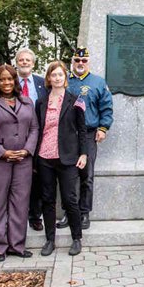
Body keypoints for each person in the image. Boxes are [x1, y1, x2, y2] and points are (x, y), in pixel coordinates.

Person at [0, 64, 39, 261]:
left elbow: (35, 128)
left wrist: (27, 150)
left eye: (10, 79)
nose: (6, 83)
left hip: (22, 161)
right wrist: (2, 152)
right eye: (2, 79)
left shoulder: (27, 102)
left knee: (20, 203)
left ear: (15, 81)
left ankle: (16, 245)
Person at [34, 61, 87, 257]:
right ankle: (50, 240)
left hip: (68, 157)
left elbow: (82, 130)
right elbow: (38, 128)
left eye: (60, 75)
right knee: (47, 200)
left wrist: (83, 154)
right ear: (48, 78)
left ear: (65, 78)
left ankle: (76, 238)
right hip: (45, 156)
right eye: (53, 75)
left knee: (70, 199)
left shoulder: (76, 100)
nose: (57, 78)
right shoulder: (41, 101)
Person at [63, 47, 113, 230]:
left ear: (88, 62)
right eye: (77, 60)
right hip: (68, 134)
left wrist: (103, 128)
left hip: (90, 133)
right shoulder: (65, 81)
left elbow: (106, 106)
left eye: (84, 61)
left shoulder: (98, 82)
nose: (80, 64)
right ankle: (69, 212)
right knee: (68, 176)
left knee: (86, 176)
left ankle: (84, 213)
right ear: (73, 62)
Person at [16, 48, 48, 233]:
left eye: (28, 60)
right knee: (18, 178)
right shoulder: (9, 82)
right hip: (15, 135)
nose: (25, 63)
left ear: (33, 63)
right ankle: (17, 215)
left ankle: (35, 216)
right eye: (21, 60)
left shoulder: (42, 83)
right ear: (17, 62)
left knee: (37, 178)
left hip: (38, 136)